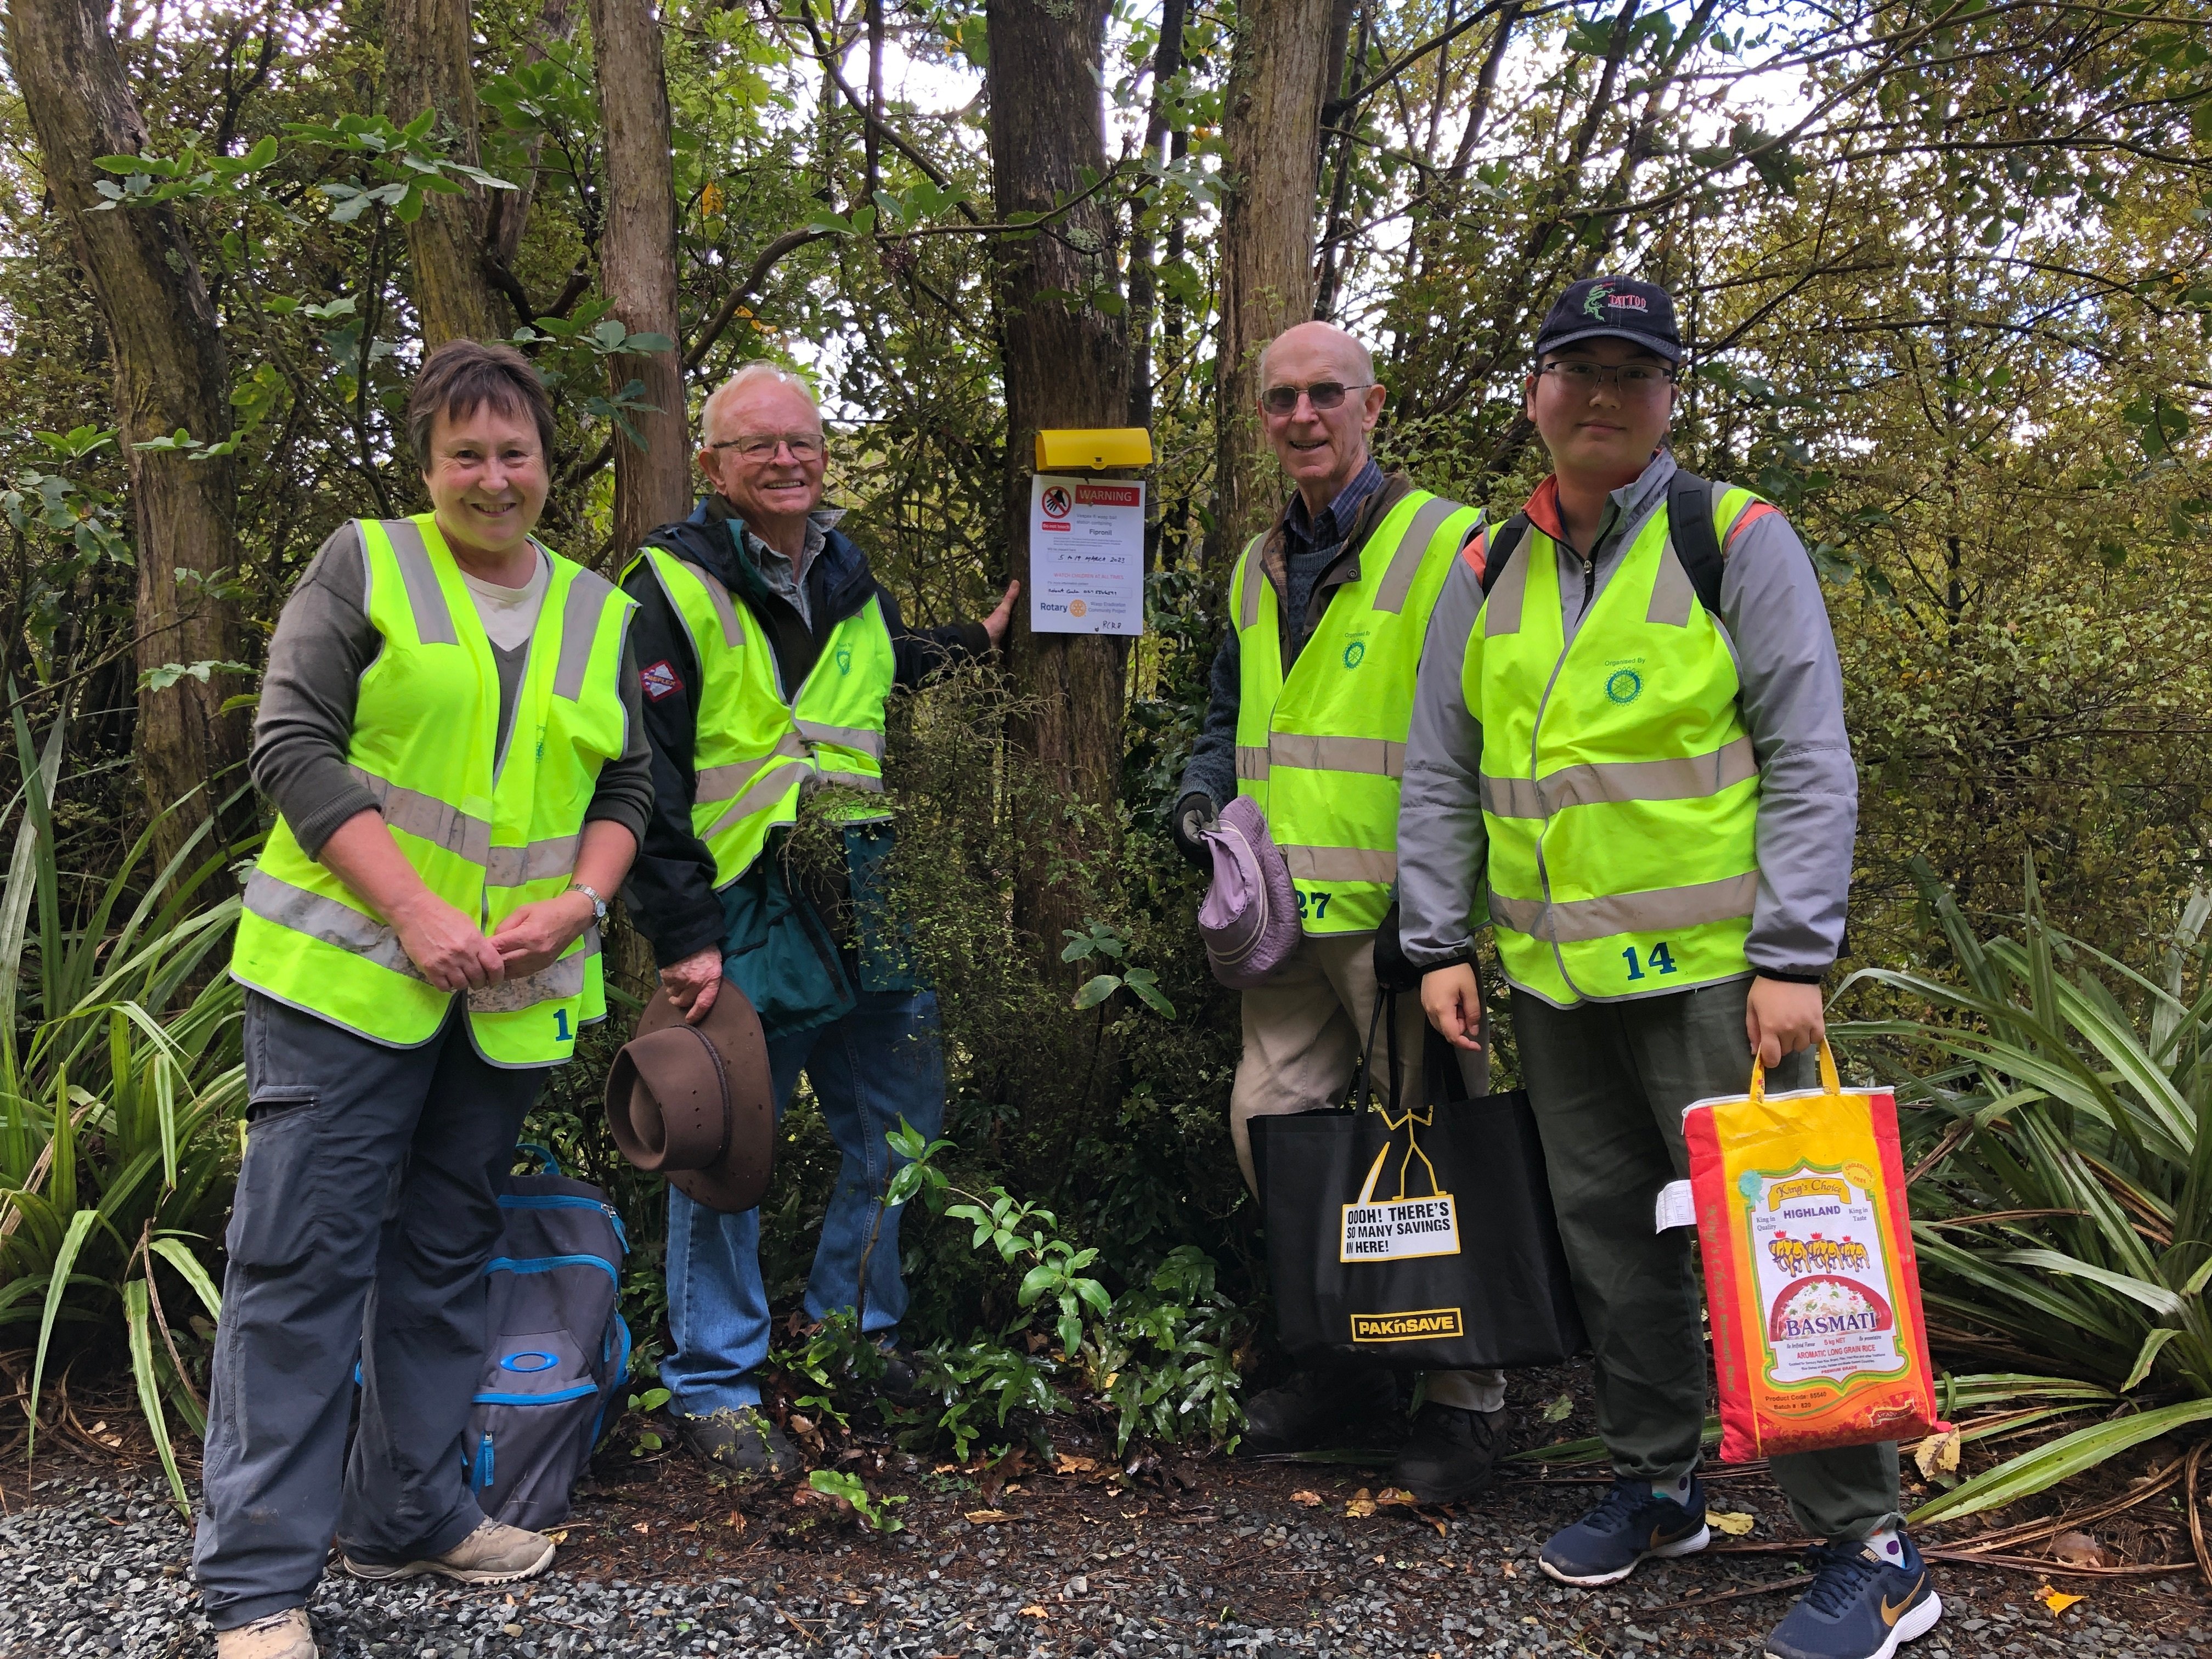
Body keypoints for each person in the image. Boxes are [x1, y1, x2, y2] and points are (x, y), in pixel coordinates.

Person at [1397, 276, 1940, 1659]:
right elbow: (1443, 769)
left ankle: (1872, 1544)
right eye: (1574, 368)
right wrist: (1439, 941)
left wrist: (1794, 953)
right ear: (1535, 392)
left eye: (1631, 373)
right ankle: (1658, 1486)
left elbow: (1811, 754)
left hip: (1725, 984)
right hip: (1559, 985)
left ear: (1668, 399)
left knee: (1785, 1244)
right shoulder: (1485, 566)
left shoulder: (1732, 539)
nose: (1599, 395)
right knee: (1612, 1253)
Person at [201, 341, 653, 1659]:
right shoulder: (365, 565)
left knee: (449, 1255)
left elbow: (624, 790)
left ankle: (414, 1512)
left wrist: (584, 903)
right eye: (468, 453)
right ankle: (256, 1587)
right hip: (348, 983)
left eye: (516, 453)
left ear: (549, 465)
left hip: (505, 1000)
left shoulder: (596, 611)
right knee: (298, 1269)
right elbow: (289, 744)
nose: (493, 477)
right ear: (429, 463)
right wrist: (412, 908)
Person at [621, 362, 1017, 1473]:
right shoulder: (666, 590)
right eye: (757, 446)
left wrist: (978, 639)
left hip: (866, 886)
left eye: (801, 441)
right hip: (738, 901)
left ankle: (858, 1332)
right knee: (723, 1136)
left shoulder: (848, 573)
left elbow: (876, 674)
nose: (785, 460)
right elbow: (641, 775)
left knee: (898, 1123)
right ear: (712, 466)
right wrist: (682, 930)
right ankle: (714, 1384)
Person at [1171, 320, 1509, 1503]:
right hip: (1280, 919)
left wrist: (1443, 919)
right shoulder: (1256, 565)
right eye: (1280, 400)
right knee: (1274, 1133)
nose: (1303, 416)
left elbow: (1482, 734)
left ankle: (1463, 1399)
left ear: (1373, 406)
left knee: (1434, 1152)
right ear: (1261, 418)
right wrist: (1203, 794)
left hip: (1404, 922)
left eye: (1325, 395)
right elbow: (1233, 716)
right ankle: (1347, 1359)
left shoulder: (1452, 544)